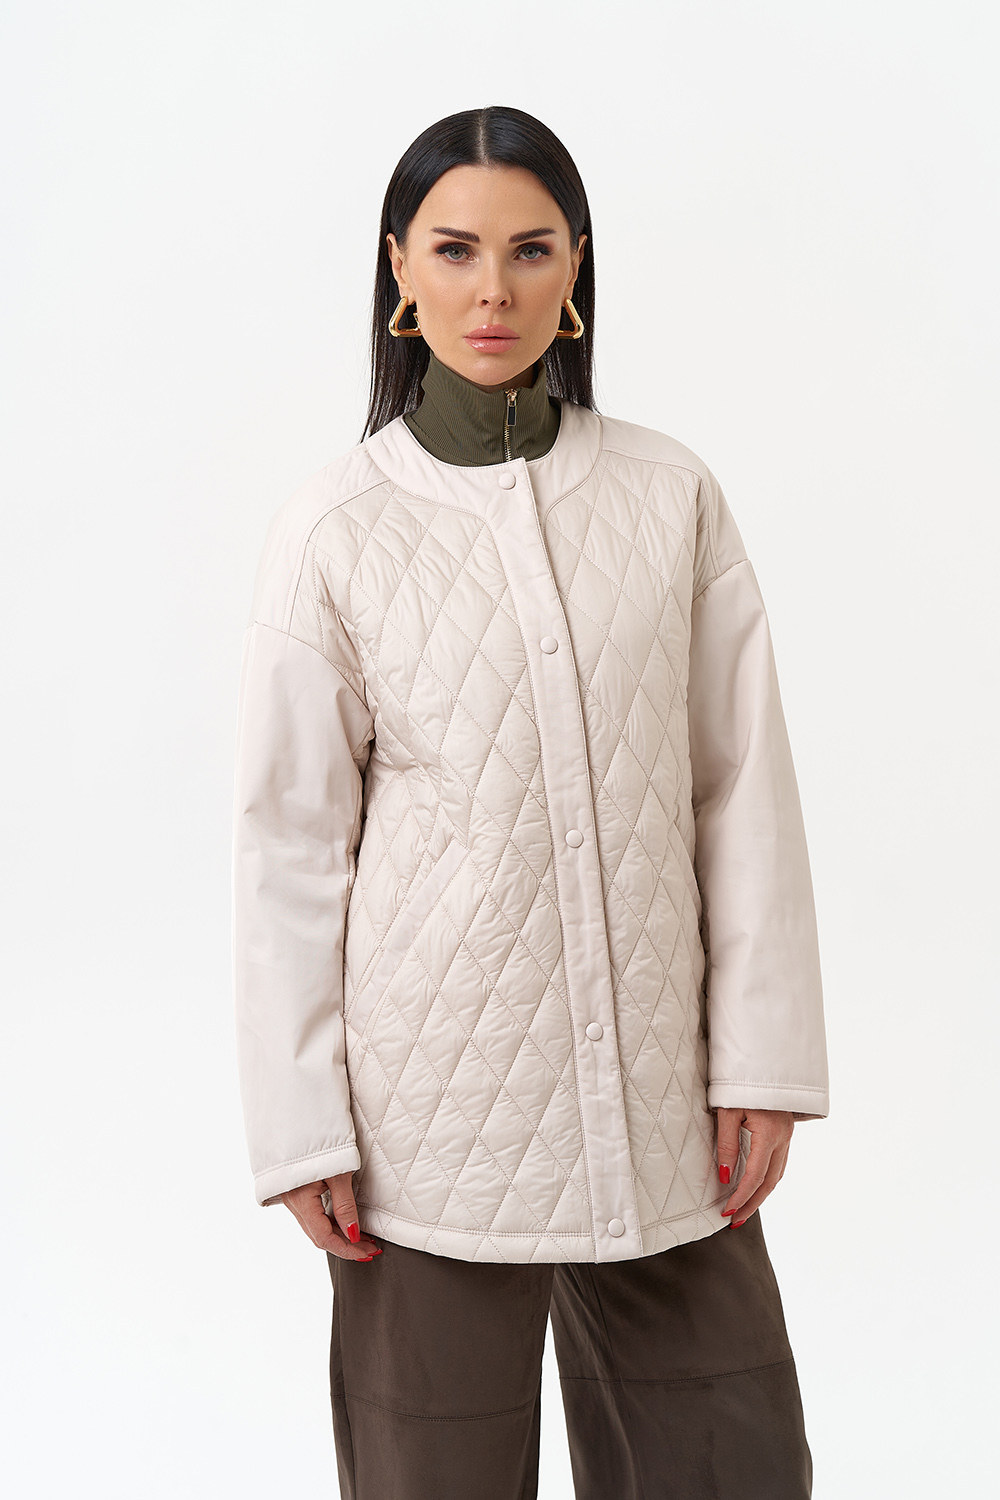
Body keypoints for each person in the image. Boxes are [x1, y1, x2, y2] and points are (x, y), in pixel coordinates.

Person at [232, 105, 830, 1500]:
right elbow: (290, 846)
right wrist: (302, 1122)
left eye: (529, 249)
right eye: (453, 250)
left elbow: (740, 788)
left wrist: (759, 1062)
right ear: (400, 269)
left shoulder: (669, 495)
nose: (491, 289)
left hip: (662, 1102)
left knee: (734, 1465)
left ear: (577, 270)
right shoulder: (336, 528)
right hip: (431, 1120)